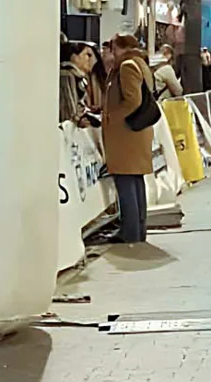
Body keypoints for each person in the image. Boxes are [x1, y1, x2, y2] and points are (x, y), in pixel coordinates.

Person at [102, 35, 156, 244]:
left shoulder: (127, 66)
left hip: (126, 134)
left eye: (113, 48)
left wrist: (111, 117)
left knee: (125, 181)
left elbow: (133, 100)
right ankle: (137, 229)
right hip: (137, 132)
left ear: (123, 48)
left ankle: (130, 231)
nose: (111, 53)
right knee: (135, 181)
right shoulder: (141, 63)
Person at [60, 41, 100, 126]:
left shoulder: (77, 77)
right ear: (74, 57)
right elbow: (67, 108)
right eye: (87, 55)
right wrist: (77, 120)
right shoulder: (66, 75)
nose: (91, 59)